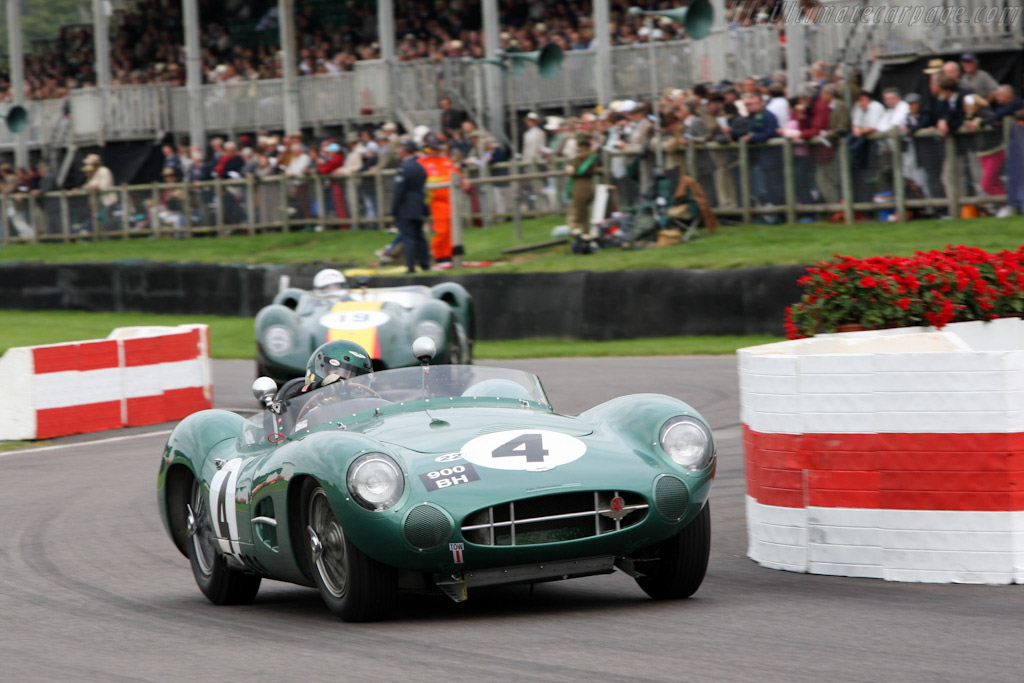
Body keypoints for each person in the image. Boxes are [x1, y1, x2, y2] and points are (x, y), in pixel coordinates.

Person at [418, 134, 461, 264]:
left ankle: (448, 254)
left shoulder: (446, 160)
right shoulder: (423, 163)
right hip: (435, 201)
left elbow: (457, 175)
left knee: (451, 228)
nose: (435, 151)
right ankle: (439, 255)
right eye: (432, 148)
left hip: (451, 199)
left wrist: (463, 180)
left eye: (437, 148)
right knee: (441, 230)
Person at [390, 139, 430, 273]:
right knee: (419, 236)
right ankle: (425, 264)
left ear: (405, 150)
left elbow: (399, 191)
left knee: (409, 237)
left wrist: (394, 209)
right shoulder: (420, 167)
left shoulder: (404, 168)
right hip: (419, 204)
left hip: (406, 207)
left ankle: (411, 266)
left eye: (400, 147)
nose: (398, 150)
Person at [565, 134, 601, 238]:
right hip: (587, 185)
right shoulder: (588, 154)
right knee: (583, 213)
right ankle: (585, 235)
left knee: (581, 215)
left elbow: (575, 169)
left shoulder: (584, 155)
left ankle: (585, 237)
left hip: (581, 186)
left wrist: (571, 169)